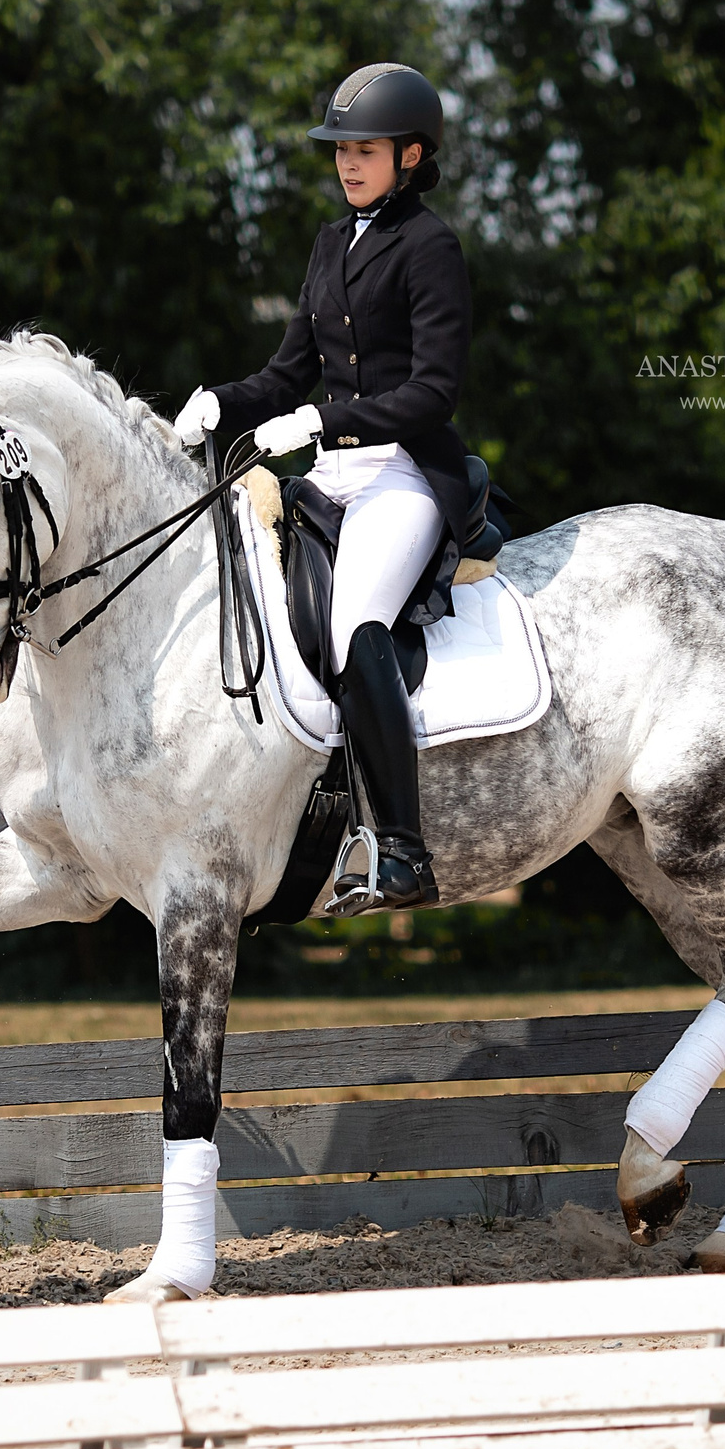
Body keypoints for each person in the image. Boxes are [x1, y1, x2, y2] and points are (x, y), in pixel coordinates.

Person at [173, 63, 475, 911]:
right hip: (328, 480)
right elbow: (288, 372)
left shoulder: (431, 247)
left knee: (353, 625)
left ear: (411, 155)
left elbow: (433, 391)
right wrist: (219, 403)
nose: (348, 164)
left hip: (401, 476)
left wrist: (320, 425)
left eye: (366, 149)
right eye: (341, 149)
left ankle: (404, 852)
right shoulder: (328, 241)